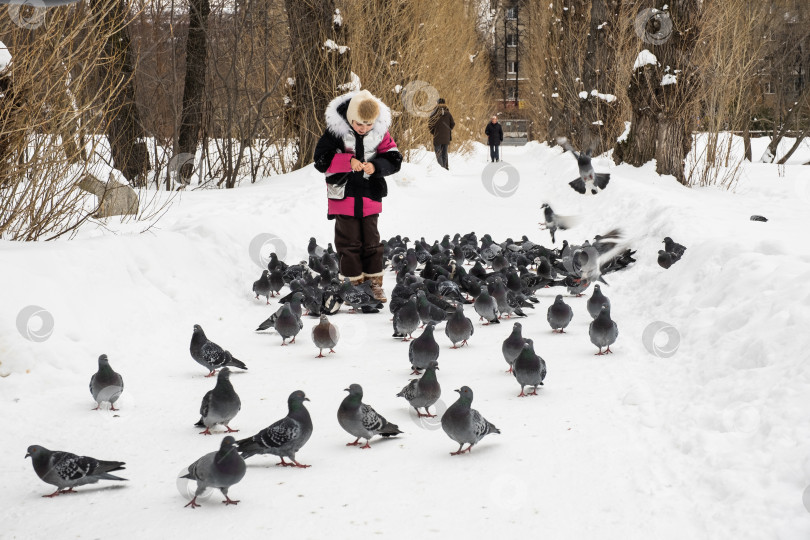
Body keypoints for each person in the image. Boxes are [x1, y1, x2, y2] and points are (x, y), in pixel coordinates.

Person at [313, 89, 402, 303]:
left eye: (368, 124)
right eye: (359, 124)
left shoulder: (381, 134)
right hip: (343, 196)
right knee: (349, 242)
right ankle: (353, 284)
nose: (364, 128)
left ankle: (374, 283)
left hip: (370, 196)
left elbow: (394, 159)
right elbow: (321, 161)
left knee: (372, 242)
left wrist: (375, 166)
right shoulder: (335, 133)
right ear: (350, 119)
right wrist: (347, 161)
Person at [428, 97, 455, 170]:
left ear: (437, 104)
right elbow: (453, 124)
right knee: (444, 153)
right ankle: (445, 168)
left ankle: (441, 170)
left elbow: (430, 125)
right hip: (446, 137)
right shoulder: (448, 113)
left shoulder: (434, 113)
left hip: (437, 136)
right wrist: (448, 130)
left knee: (438, 153)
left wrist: (433, 132)